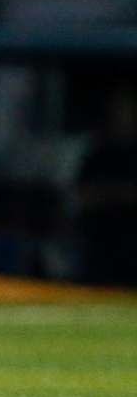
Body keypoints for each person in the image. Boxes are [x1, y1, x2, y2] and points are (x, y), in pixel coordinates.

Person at [74, 86, 137, 286]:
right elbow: (85, 196)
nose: (121, 118)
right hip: (101, 250)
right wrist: (119, 193)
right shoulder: (97, 156)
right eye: (115, 113)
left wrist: (109, 192)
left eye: (125, 112)